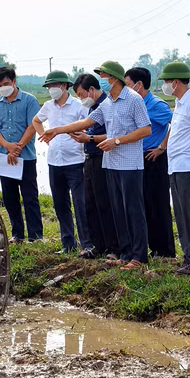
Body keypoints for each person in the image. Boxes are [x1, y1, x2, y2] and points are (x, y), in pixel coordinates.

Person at [41, 61, 151, 270]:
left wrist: (117, 140)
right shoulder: (108, 103)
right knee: (118, 210)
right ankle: (126, 253)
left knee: (133, 210)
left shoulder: (134, 100)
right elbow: (85, 123)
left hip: (130, 165)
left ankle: (140, 256)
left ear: (114, 78)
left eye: (104, 76)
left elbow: (145, 130)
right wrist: (56, 130)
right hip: (111, 164)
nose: (102, 80)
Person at [32, 70, 92, 255]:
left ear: (65, 86)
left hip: (75, 161)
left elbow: (89, 123)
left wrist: (81, 136)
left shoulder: (78, 105)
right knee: (60, 204)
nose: (52, 89)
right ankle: (68, 243)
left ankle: (87, 244)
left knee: (81, 204)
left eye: (55, 85)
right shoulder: (48, 106)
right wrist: (44, 135)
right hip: (54, 162)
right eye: (49, 86)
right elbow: (36, 120)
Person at [158, 61, 190, 275]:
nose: (165, 86)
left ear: (176, 82)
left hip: (189, 166)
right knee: (181, 213)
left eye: (167, 82)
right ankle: (188, 256)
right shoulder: (180, 103)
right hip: (175, 166)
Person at [0, 66, 43, 244]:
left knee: (30, 197)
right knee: (10, 198)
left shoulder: (30, 100)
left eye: (5, 83)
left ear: (14, 81)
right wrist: (7, 146)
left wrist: (17, 148)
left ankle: (35, 236)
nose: (2, 87)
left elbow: (32, 126)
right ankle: (17, 234)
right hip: (4, 157)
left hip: (25, 156)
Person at [125, 66, 175, 258]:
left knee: (159, 204)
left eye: (128, 84)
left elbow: (176, 124)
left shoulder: (157, 105)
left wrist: (162, 147)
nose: (126, 88)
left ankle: (165, 251)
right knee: (143, 204)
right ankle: (151, 247)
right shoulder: (133, 104)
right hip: (136, 159)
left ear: (138, 85)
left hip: (154, 159)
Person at [71, 73, 119, 258]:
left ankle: (114, 247)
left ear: (91, 89)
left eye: (82, 94)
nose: (81, 99)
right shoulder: (93, 108)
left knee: (105, 203)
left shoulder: (107, 105)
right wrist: (85, 134)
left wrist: (89, 137)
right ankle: (97, 245)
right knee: (90, 203)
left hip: (103, 158)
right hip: (89, 158)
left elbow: (113, 134)